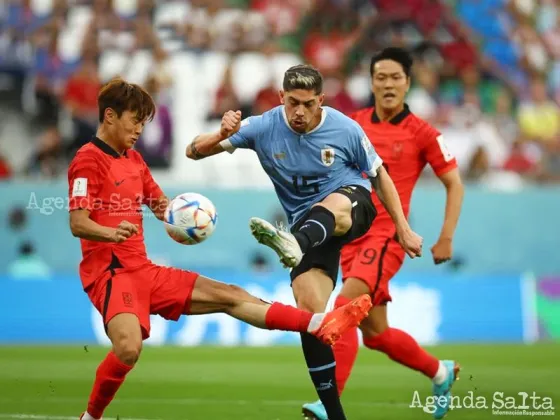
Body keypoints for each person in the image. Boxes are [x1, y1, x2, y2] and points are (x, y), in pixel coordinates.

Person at [68, 78, 373, 420]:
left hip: (144, 271)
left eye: (144, 122)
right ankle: (91, 417)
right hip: (111, 274)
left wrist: (190, 218)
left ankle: (318, 323)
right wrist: (111, 232)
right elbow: (78, 222)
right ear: (110, 116)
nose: (140, 129)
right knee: (128, 349)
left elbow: (163, 208)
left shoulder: (135, 161)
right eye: (135, 120)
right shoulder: (87, 160)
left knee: (230, 295)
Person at [187, 64, 423, 420]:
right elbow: (193, 151)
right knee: (311, 318)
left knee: (336, 205)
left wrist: (403, 228)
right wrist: (221, 134)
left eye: (308, 104)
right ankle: (334, 414)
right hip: (309, 230)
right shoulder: (262, 126)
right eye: (293, 102)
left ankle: (293, 242)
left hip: (351, 206)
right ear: (281, 98)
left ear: (320, 101)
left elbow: (379, 176)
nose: (299, 111)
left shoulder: (345, 129)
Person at [300, 48, 465, 420]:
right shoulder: (351, 124)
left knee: (343, 309)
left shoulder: (423, 133)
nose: (388, 84)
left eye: (395, 77)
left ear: (407, 83)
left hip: (387, 238)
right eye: (381, 77)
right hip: (349, 237)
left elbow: (454, 184)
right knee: (375, 335)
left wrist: (446, 237)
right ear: (371, 81)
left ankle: (330, 405)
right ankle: (441, 372)